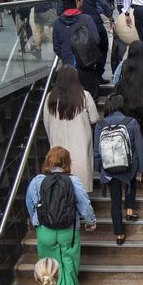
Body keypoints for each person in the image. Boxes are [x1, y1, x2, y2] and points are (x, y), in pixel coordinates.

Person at [25, 147, 97, 285]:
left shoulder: (37, 181)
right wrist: (91, 221)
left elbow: (30, 204)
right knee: (69, 264)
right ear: (67, 162)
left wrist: (36, 222)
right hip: (68, 230)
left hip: (44, 230)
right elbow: (84, 204)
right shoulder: (73, 181)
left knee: (47, 266)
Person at [93, 94, 143, 245]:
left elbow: (97, 151)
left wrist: (100, 169)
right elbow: (139, 148)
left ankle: (119, 234)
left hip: (109, 169)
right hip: (128, 167)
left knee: (115, 201)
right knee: (131, 182)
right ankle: (130, 210)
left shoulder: (100, 125)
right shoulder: (131, 122)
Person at [43, 65, 100, 193]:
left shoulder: (50, 98)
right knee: (80, 186)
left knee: (61, 189)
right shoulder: (84, 96)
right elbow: (95, 119)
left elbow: (46, 122)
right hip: (81, 147)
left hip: (58, 149)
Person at [61, 0, 114, 84]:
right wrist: (109, 16)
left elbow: (59, 9)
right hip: (93, 21)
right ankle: (98, 73)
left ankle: (81, 73)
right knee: (102, 45)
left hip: (71, 23)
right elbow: (103, 2)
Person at [52, 0, 101, 99]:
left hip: (67, 69)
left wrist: (66, 55)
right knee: (89, 98)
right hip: (86, 68)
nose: (82, 0)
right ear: (77, 1)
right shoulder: (87, 19)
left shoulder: (57, 23)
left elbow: (57, 47)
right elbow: (96, 40)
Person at [117, 40, 143, 145]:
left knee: (130, 126)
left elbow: (115, 80)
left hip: (128, 101)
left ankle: (132, 146)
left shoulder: (124, 65)